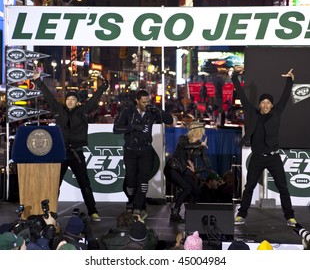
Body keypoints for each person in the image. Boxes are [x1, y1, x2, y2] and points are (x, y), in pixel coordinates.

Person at [33, 71, 109, 222]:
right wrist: (38, 81)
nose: (70, 101)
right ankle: (50, 211)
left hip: (76, 153)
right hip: (61, 154)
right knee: (54, 185)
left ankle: (93, 211)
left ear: (77, 102)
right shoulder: (59, 110)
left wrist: (103, 85)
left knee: (85, 184)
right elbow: (48, 96)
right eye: (68, 98)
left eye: (73, 99)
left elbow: (94, 99)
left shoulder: (83, 112)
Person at [231, 67, 296, 226]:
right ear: (259, 104)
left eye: (268, 103)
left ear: (272, 105)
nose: (266, 105)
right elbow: (241, 94)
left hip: (274, 157)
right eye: (263, 102)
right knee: (249, 187)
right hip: (258, 158)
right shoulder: (253, 113)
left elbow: (285, 97)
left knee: (283, 187)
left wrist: (290, 80)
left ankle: (290, 216)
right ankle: (241, 214)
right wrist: (234, 77)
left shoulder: (277, 112)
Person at [113, 90, 173, 219]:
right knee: (130, 181)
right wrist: (133, 127)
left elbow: (170, 120)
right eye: (143, 102)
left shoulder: (152, 112)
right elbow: (116, 129)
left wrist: (157, 110)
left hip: (146, 150)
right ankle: (133, 201)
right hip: (130, 150)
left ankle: (137, 208)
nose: (146, 104)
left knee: (143, 181)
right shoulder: (127, 112)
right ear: (137, 101)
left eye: (148, 101)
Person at [164, 121, 211, 223]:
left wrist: (195, 169)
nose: (202, 135)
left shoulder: (201, 147)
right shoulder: (183, 139)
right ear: (196, 132)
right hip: (172, 169)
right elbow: (186, 146)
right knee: (187, 188)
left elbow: (208, 166)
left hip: (182, 172)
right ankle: (175, 213)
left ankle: (189, 213)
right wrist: (200, 144)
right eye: (201, 132)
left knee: (196, 190)